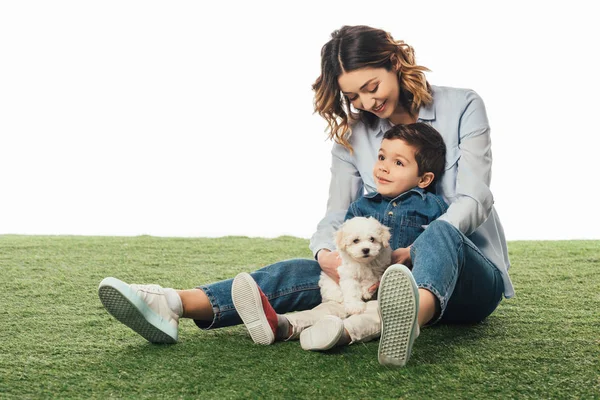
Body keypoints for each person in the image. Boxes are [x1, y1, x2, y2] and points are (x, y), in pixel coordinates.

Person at [97, 24, 514, 368]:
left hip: (466, 278)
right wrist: (325, 256)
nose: (367, 103)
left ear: (394, 63)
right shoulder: (354, 134)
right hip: (376, 274)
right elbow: (335, 215)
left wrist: (412, 253)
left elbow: (474, 198)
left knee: (440, 234)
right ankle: (172, 304)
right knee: (302, 268)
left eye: (371, 86)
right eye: (353, 97)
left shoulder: (462, 105)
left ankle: (403, 320)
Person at [230, 122, 448, 352]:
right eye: (382, 157)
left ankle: (343, 332)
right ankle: (284, 324)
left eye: (398, 163)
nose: (383, 167)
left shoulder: (430, 206)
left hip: (399, 291)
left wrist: (413, 251)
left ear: (424, 179)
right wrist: (329, 258)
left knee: (374, 312)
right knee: (331, 305)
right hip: (353, 282)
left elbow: (440, 242)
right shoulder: (362, 206)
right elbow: (344, 241)